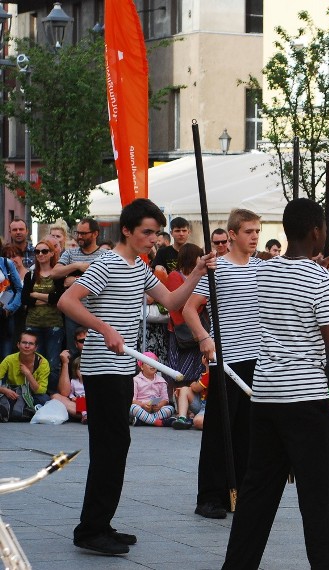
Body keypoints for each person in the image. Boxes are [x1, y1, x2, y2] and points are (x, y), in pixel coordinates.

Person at [57, 198, 215, 556]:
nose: (153, 239)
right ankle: (90, 528)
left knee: (116, 445)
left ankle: (99, 523)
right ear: (127, 230)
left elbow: (172, 302)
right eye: (147, 232)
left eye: (156, 233)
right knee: (110, 445)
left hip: (121, 368)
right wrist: (103, 328)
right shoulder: (107, 264)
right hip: (102, 366)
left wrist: (196, 273)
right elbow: (67, 301)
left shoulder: (139, 267)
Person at [221, 198, 329, 570]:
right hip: (305, 397)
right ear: (317, 231)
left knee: (257, 492)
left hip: (267, 393)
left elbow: (286, 286)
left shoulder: (262, 271)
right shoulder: (321, 279)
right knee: (317, 499)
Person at [183, 209, 262, 520]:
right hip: (226, 360)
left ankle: (238, 492)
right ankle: (210, 496)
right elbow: (190, 309)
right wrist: (204, 338)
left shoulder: (261, 268)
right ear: (232, 235)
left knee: (247, 430)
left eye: (257, 231)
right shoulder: (218, 269)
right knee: (219, 429)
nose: (254, 236)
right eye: (248, 231)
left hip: (257, 359)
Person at [51, 218, 104, 350]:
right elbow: (55, 273)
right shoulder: (70, 253)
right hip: (73, 314)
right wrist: (77, 265)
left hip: (96, 313)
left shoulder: (105, 255)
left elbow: (104, 282)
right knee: (73, 353)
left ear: (95, 234)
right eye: (77, 233)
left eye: (83, 234)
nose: (79, 237)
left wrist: (75, 280)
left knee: (96, 352)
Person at [23, 239, 65, 393]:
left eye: (44, 251)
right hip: (32, 324)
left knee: (53, 362)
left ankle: (51, 394)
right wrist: (48, 297)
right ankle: (34, 394)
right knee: (33, 361)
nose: (40, 254)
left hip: (54, 324)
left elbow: (59, 299)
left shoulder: (58, 274)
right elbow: (25, 299)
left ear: (52, 253)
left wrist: (36, 295)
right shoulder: (31, 274)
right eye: (37, 251)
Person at [165, 243, 206, 394]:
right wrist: (201, 300)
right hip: (180, 330)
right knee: (180, 370)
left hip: (197, 329)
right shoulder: (175, 276)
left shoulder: (202, 275)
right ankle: (180, 401)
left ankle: (193, 401)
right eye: (199, 256)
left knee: (198, 367)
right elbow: (179, 302)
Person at [0, 329, 50, 408]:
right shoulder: (9, 359)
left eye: (31, 343)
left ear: (36, 347)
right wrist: (4, 390)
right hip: (14, 393)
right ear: (18, 345)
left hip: (33, 395)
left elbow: (41, 391)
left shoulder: (43, 362)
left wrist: (28, 374)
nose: (27, 346)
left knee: (44, 399)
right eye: (24, 342)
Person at [129, 352, 175, 426]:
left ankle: (144, 421)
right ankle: (158, 422)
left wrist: (159, 405)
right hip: (141, 408)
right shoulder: (136, 380)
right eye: (148, 363)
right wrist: (143, 405)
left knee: (170, 409)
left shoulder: (161, 380)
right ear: (142, 367)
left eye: (154, 363)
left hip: (155, 410)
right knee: (133, 407)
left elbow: (165, 400)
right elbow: (132, 400)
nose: (152, 365)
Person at [0, 243, 25, 358]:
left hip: (4, 313)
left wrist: (9, 308)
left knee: (6, 355)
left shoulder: (5, 263)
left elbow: (18, 289)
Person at [173, 360, 209, 430]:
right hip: (201, 403)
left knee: (198, 422)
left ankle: (194, 419)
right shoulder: (206, 372)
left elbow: (196, 388)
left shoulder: (209, 375)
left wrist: (192, 384)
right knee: (184, 390)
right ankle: (182, 418)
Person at [51, 351, 85, 422]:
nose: (82, 371)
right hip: (78, 401)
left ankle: (86, 415)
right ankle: (85, 415)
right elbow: (70, 393)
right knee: (55, 396)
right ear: (75, 371)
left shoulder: (92, 380)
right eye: (79, 369)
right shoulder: (74, 381)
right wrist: (73, 398)